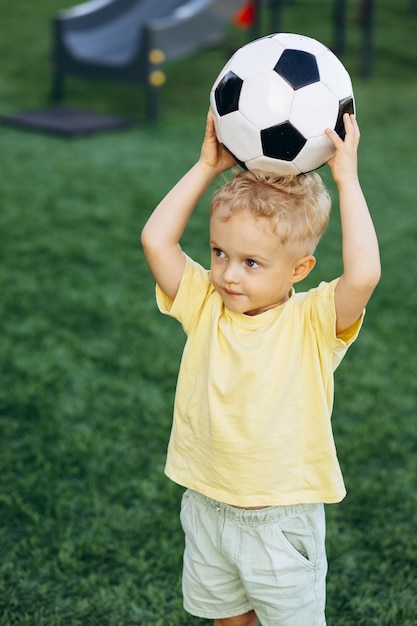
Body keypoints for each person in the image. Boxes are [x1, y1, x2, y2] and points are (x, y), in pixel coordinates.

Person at [141, 109, 380, 626]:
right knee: (228, 620)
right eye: (219, 252)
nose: (227, 274)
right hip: (207, 506)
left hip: (280, 520)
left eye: (251, 262)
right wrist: (206, 167)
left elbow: (363, 275)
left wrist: (348, 179)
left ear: (299, 269)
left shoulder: (312, 321)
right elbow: (156, 241)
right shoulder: (204, 303)